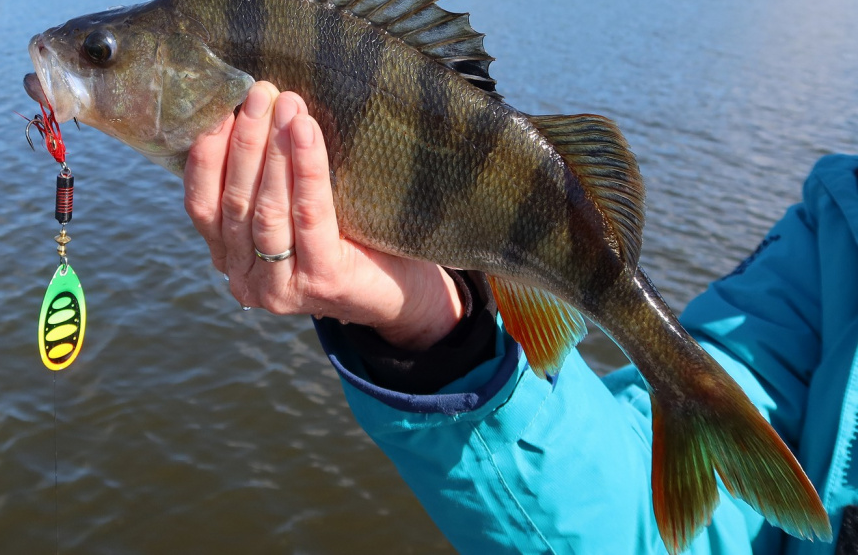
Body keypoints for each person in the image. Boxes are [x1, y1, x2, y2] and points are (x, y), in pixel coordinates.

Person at [183, 81, 858, 555]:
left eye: (102, 54)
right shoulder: (836, 236)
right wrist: (435, 331)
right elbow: (639, 536)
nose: (86, 67)